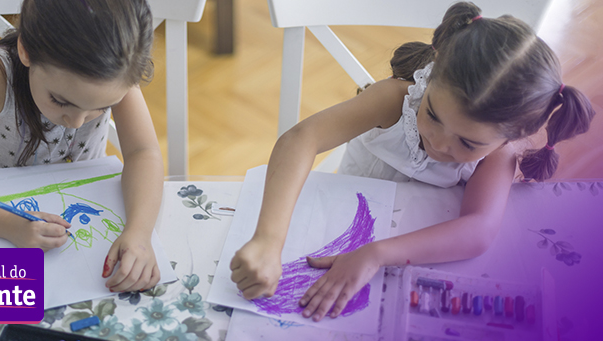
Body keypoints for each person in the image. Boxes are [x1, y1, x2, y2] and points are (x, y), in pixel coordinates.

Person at [229, 1, 595, 322]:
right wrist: (268, 239)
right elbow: (301, 138)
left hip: (414, 254)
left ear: (513, 136)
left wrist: (375, 254)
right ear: (433, 73)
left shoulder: (500, 153)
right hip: (336, 223)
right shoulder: (396, 100)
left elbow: (478, 230)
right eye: (433, 114)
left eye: (467, 142)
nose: (437, 141)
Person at [0, 0, 163, 293]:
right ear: (26, 50)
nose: (76, 123)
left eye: (103, 107)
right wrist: (9, 225)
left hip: (82, 203)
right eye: (60, 101)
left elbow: (143, 153)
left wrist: (140, 232)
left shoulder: (116, 68)